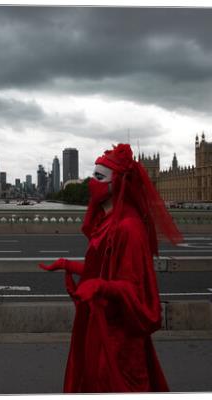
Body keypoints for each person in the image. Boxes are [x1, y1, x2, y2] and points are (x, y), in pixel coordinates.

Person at [38, 143, 182, 393]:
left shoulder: (129, 227)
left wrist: (99, 286)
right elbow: (103, 270)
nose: (91, 182)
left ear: (118, 183)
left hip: (118, 336)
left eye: (98, 177)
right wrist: (68, 265)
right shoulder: (108, 220)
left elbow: (133, 290)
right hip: (99, 323)